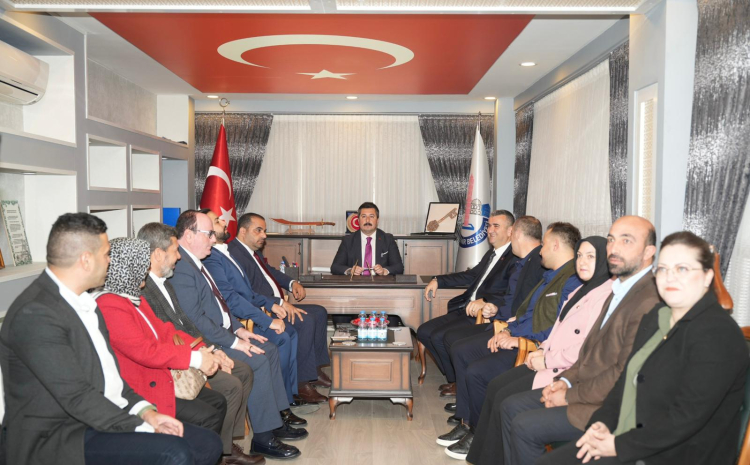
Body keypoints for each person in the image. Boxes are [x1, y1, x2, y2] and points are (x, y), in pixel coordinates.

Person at [0, 213, 222, 465]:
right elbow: (76, 397)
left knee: (207, 443)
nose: (111, 261)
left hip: (98, 417)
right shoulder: (37, 314)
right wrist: (142, 425)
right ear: (86, 260)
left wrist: (146, 412)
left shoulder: (84, 303)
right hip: (60, 436)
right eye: (106, 254)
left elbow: (111, 379)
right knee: (174, 451)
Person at [541, 231, 748, 465]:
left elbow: (687, 418)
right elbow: (625, 383)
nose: (670, 278)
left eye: (682, 269)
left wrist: (618, 445)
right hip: (631, 435)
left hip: (677, 454)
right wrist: (601, 424)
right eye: (663, 269)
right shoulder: (656, 316)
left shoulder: (718, 333)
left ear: (707, 276)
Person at [499, 215, 661, 465]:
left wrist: (569, 394)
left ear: (649, 251)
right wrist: (564, 381)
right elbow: (589, 351)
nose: (614, 248)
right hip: (580, 382)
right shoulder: (618, 290)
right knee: (511, 407)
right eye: (611, 240)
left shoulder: (648, 300)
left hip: (608, 404)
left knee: (523, 423)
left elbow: (623, 372)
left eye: (626, 241)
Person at [438, 222, 582, 460]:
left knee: (476, 371)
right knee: (462, 350)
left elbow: (553, 327)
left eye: (545, 244)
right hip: (517, 333)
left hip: (531, 345)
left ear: (556, 245)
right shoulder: (551, 275)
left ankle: (476, 431)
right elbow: (527, 313)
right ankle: (467, 422)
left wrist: (515, 337)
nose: (541, 250)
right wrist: (507, 329)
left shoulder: (571, 281)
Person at [169, 210, 306, 460]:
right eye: (208, 234)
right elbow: (195, 320)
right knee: (259, 358)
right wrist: (234, 341)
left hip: (225, 331)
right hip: (207, 342)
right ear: (189, 235)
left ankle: (275, 421)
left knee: (269, 349)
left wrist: (240, 329)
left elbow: (220, 306)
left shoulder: (196, 261)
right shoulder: (183, 268)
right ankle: (263, 438)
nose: (213, 239)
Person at [466, 236, 613, 465]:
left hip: (566, 370)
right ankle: (481, 456)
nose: (582, 262)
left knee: (506, 399)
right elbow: (557, 329)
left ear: (604, 260)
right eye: (580, 256)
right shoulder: (581, 289)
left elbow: (586, 347)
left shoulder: (605, 295)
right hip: (548, 358)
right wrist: (541, 350)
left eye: (590, 256)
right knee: (496, 386)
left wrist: (546, 358)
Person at [138, 222, 264, 465]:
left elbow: (185, 324)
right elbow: (163, 339)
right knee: (231, 385)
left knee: (243, 370)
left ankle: (228, 444)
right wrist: (203, 356)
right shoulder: (145, 291)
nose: (178, 257)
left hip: (191, 350)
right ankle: (222, 453)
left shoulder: (165, 281)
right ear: (158, 254)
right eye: (175, 251)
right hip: (174, 365)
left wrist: (211, 350)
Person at [415, 211, 526, 394]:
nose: (490, 230)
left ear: (510, 231)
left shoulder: (515, 258)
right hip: (466, 306)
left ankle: (459, 384)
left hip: (485, 313)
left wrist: (487, 300)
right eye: (488, 226)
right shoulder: (492, 253)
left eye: (496, 226)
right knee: (424, 331)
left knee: (441, 337)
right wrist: (438, 280)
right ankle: (455, 379)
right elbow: (470, 275)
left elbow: (512, 294)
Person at [227, 212, 332, 402]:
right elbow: (247, 292)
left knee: (320, 312)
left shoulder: (252, 251)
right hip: (265, 309)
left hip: (277, 303)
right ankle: (301, 383)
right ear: (242, 231)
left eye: (264, 231)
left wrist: (292, 283)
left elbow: (270, 272)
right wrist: (279, 303)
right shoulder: (234, 254)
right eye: (258, 230)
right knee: (305, 320)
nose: (264, 235)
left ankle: (314, 370)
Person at [330, 202, 404, 275]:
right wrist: (350, 271)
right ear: (358, 220)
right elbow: (335, 267)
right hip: (356, 281)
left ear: (377, 220)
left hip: (380, 281)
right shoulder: (348, 240)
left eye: (371, 216)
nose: (367, 220)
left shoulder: (388, 239)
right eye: (364, 216)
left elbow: (399, 267)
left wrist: (384, 271)